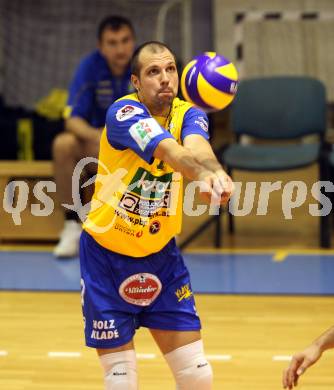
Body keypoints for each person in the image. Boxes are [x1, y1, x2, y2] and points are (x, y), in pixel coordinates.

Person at [79, 41, 234, 390]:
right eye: (153, 72)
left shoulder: (189, 112)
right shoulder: (123, 114)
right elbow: (170, 150)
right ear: (136, 82)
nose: (164, 78)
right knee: (121, 382)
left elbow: (197, 147)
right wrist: (202, 174)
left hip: (161, 257)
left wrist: (215, 172)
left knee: (197, 375)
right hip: (106, 258)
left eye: (170, 70)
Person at [53, 15, 135, 258]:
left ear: (134, 41)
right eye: (112, 43)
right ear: (101, 47)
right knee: (63, 144)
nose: (120, 49)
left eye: (125, 40)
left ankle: (157, 226)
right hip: (100, 146)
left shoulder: (144, 66)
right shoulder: (89, 67)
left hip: (138, 146)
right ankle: (70, 227)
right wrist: (99, 136)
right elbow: (72, 119)